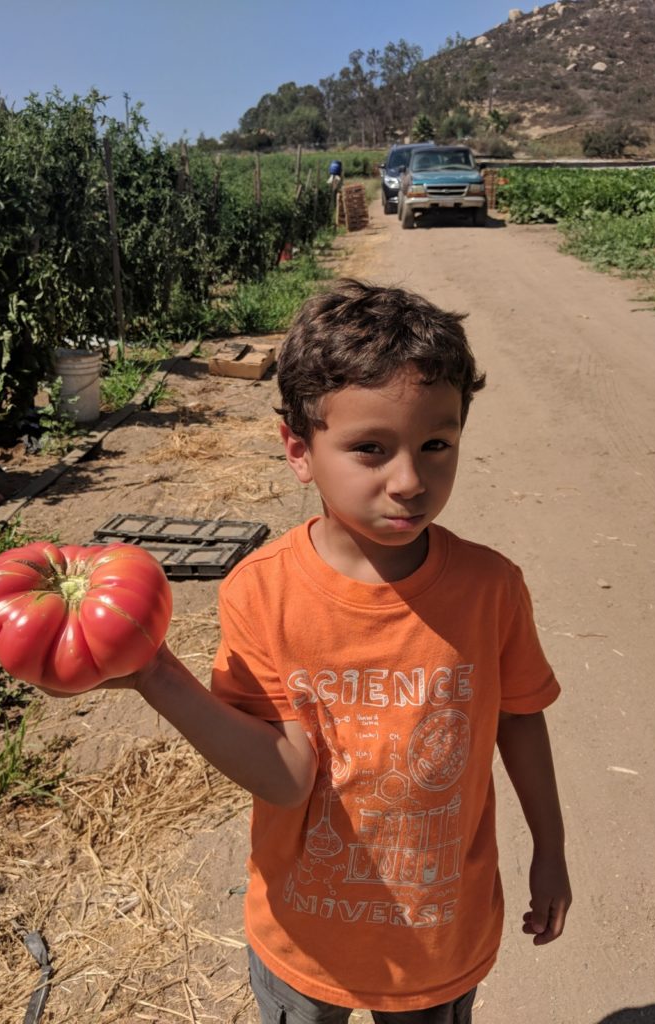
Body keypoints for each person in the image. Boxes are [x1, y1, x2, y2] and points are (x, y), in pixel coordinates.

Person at [82, 280, 572, 1021]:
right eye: (370, 449)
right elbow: (285, 778)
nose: (409, 481)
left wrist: (551, 846)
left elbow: (521, 719)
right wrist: (154, 673)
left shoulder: (491, 589)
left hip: (438, 942)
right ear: (298, 450)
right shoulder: (261, 593)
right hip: (302, 940)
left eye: (436, 445)